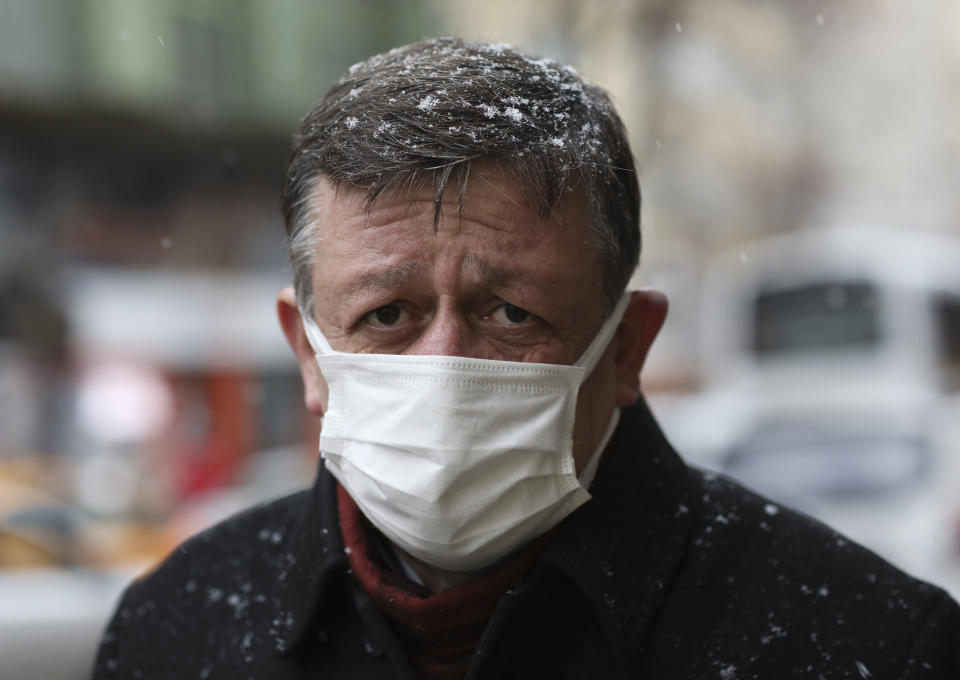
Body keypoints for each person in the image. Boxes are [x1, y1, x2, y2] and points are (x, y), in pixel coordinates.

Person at [92, 37, 959, 679]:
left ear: (626, 347)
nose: (444, 364)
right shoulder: (175, 632)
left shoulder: (866, 647)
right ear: (309, 355)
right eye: (386, 313)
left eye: (511, 312)